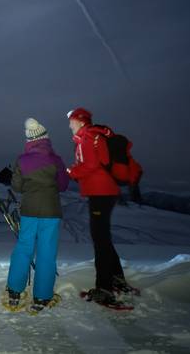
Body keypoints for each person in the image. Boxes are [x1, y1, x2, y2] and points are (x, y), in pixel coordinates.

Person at [66, 107, 134, 306]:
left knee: (100, 240)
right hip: (104, 191)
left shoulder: (88, 137)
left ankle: (104, 289)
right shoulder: (91, 136)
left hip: (100, 192)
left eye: (71, 121)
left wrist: (71, 170)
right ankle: (118, 281)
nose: (69, 124)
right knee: (103, 237)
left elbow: (92, 165)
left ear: (79, 121)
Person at [5, 118, 69, 313]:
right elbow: (63, 185)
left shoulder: (22, 160)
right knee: (46, 252)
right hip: (50, 210)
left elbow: (16, 186)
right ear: (45, 138)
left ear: (29, 140)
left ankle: (14, 292)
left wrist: (29, 187)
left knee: (24, 247)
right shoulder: (56, 160)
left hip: (29, 210)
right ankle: (42, 297)